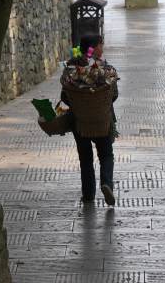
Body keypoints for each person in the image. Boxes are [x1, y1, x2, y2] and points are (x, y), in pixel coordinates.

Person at [39, 34, 117, 206]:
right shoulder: (106, 68)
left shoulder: (70, 70)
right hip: (102, 121)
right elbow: (114, 95)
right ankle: (106, 183)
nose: (102, 47)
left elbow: (65, 98)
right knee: (106, 154)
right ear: (94, 48)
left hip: (79, 122)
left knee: (85, 158)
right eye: (100, 44)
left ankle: (88, 195)